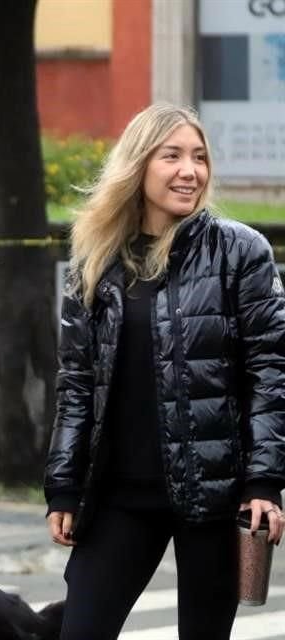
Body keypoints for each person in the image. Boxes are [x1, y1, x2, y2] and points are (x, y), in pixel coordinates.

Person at [44, 103, 285, 639]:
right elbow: (77, 381)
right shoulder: (96, 259)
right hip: (118, 498)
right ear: (138, 165)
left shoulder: (241, 252)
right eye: (171, 155)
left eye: (199, 158)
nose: (190, 171)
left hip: (214, 495)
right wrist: (64, 485)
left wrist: (264, 481)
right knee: (80, 630)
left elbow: (272, 371)